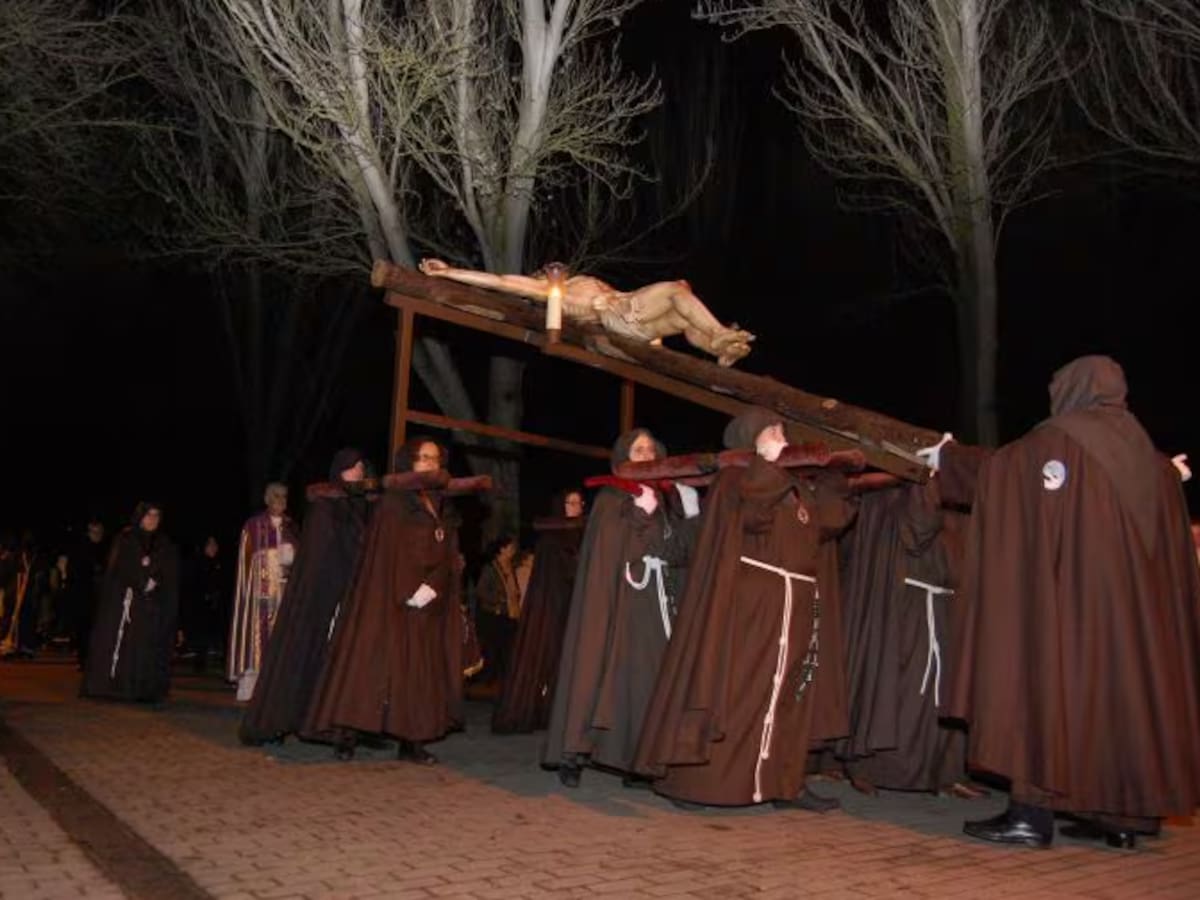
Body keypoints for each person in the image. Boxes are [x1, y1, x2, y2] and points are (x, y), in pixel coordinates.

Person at [921, 355, 1200, 849]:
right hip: (1136, 627)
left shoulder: (1057, 443)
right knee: (1118, 705)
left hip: (1069, 611)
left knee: (1045, 691)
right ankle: (1120, 815)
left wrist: (948, 457)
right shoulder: (1153, 463)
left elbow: (1005, 471)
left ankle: (1031, 815)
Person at [634, 408, 856, 811]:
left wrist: (830, 477)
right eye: (773, 431)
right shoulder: (736, 478)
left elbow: (832, 521)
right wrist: (765, 463)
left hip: (798, 606)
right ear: (751, 437)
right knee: (740, 691)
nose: (782, 437)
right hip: (752, 607)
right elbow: (753, 515)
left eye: (783, 431)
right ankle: (707, 784)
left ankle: (785, 784)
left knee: (791, 695)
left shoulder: (795, 487)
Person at [543, 428, 699, 788]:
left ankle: (636, 759)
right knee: (598, 672)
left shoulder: (666, 502)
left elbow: (677, 554)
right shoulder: (611, 499)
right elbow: (619, 553)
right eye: (637, 449)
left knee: (645, 680)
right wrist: (641, 516)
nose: (645, 455)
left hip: (653, 605)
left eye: (650, 449)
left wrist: (690, 516)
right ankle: (574, 752)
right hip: (616, 604)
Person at [307, 438, 468, 764]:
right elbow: (385, 552)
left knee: (418, 673)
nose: (429, 464)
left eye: (435, 459)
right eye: (422, 458)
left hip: (425, 603)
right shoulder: (393, 502)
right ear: (409, 462)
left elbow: (448, 552)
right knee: (370, 664)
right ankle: (347, 733)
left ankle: (413, 740)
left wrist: (433, 586)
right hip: (388, 598)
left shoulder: (441, 504)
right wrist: (406, 588)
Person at [830, 480, 981, 799]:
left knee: (944, 695)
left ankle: (943, 771)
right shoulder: (893, 496)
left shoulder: (958, 506)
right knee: (902, 688)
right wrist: (932, 483)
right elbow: (916, 532)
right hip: (908, 608)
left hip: (947, 608)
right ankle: (871, 769)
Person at [240, 449, 373, 746]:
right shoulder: (325, 508)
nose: (358, 473)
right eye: (352, 469)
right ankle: (288, 720)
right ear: (339, 472)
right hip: (322, 597)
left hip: (350, 596)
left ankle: (341, 727)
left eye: (362, 468)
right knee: (307, 656)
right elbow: (320, 556)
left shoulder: (360, 508)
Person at [418, 258, 754, 367]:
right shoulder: (553, 294)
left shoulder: (582, 280)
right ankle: (722, 335)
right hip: (617, 317)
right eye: (546, 272)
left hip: (633, 313)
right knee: (675, 291)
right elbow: (501, 281)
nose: (554, 271)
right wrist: (449, 272)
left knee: (683, 311)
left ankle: (718, 345)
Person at [493, 489, 586, 734]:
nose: (576, 507)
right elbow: (554, 576)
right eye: (570, 502)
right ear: (560, 505)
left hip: (577, 608)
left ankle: (563, 713)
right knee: (544, 657)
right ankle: (536, 710)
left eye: (579, 503)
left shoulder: (585, 536)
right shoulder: (550, 540)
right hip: (551, 608)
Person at [81, 502, 180, 703]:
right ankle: (120, 686)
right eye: (148, 515)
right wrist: (141, 581)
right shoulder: (127, 539)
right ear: (140, 517)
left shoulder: (164, 543)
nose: (152, 520)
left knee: (148, 645)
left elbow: (169, 569)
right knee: (126, 644)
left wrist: (156, 580)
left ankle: (145, 687)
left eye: (156, 516)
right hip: (128, 602)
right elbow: (120, 567)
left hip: (152, 605)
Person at [227, 482, 299, 701]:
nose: (280, 500)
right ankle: (252, 684)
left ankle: (278, 685)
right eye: (276, 496)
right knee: (257, 636)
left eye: (284, 496)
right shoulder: (253, 525)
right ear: (267, 499)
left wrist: (293, 556)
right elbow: (246, 562)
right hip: (259, 595)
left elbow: (302, 558)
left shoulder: (291, 526)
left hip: (284, 594)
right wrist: (270, 557)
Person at [474, 534, 522, 687]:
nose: (513, 550)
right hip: (495, 616)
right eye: (510, 547)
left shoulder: (511, 567)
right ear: (502, 550)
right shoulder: (491, 569)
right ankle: (490, 681)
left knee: (509, 649)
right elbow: (481, 591)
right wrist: (499, 600)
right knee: (495, 650)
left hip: (510, 614)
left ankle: (505, 681)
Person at [183, 536, 228, 674]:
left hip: (217, 605)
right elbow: (191, 586)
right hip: (201, 606)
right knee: (201, 635)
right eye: (210, 545)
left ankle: (224, 660)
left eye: (215, 544)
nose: (213, 548)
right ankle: (200, 663)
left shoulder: (220, 564)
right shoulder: (196, 562)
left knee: (221, 631)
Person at [69, 518, 109, 670]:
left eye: (100, 532)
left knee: (97, 629)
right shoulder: (80, 550)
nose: (97, 535)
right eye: (94, 532)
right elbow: (75, 573)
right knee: (84, 628)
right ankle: (84, 658)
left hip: (100, 597)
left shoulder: (106, 549)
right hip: (84, 596)